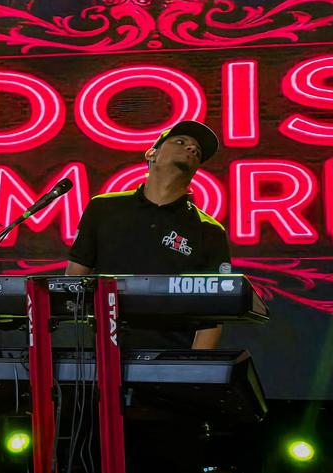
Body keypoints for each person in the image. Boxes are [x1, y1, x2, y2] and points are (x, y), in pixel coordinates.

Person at [65, 120, 230, 351]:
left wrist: (193, 367)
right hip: (106, 356)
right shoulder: (103, 208)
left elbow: (213, 314)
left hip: (173, 360)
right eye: (180, 142)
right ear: (152, 153)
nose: (192, 148)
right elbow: (73, 284)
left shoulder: (210, 230)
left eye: (198, 151)